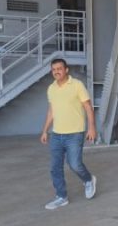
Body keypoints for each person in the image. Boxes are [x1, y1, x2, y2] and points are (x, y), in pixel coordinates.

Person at [40, 58, 97, 210]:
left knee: (75, 165)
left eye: (59, 68)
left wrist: (92, 128)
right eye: (54, 69)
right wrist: (45, 130)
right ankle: (61, 197)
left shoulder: (77, 85)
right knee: (55, 167)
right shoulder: (51, 89)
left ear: (66, 70)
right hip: (56, 135)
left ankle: (88, 179)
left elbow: (88, 107)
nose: (56, 72)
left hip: (75, 134)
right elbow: (51, 111)